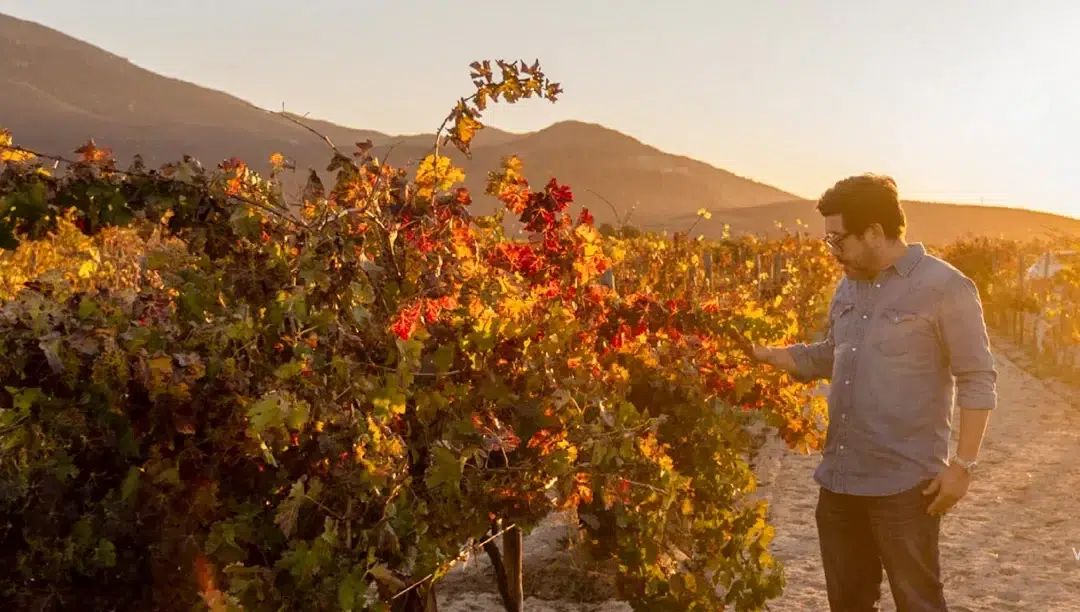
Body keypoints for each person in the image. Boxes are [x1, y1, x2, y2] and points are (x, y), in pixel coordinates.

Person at [747, 173, 997, 611]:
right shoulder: (848, 285)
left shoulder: (945, 287)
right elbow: (833, 353)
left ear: (875, 232)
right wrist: (769, 355)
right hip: (840, 482)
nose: (832, 252)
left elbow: (978, 377)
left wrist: (963, 466)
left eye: (838, 240)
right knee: (848, 604)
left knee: (918, 602)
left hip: (905, 489)